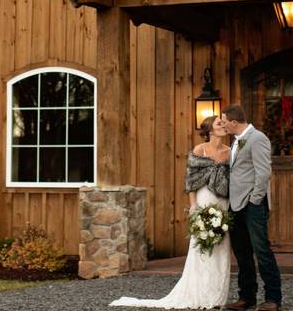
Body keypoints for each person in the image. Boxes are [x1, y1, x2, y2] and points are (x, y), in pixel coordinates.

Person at [110, 115, 232, 309]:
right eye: (219, 123)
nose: (223, 126)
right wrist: (193, 206)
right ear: (210, 130)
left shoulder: (229, 152)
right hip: (204, 198)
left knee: (221, 246)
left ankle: (217, 296)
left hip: (222, 201)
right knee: (202, 244)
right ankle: (201, 294)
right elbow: (190, 180)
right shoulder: (200, 150)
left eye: (223, 123)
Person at [219, 104, 281, 311]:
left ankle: (273, 298)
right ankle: (247, 297)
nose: (223, 124)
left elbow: (263, 173)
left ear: (234, 122)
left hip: (252, 205)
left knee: (262, 250)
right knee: (242, 253)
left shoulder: (258, 138)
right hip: (235, 205)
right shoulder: (236, 141)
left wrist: (254, 200)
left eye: (224, 121)